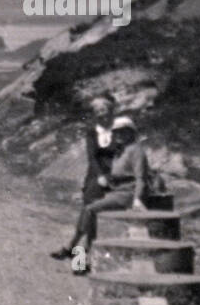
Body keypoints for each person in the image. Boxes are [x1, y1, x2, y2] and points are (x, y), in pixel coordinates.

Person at [66, 116, 150, 273]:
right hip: (116, 191)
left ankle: (78, 255)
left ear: (131, 133)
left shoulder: (136, 151)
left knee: (90, 210)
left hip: (128, 193)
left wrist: (138, 199)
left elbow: (141, 178)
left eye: (122, 133)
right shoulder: (122, 150)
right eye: (116, 133)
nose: (118, 136)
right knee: (87, 208)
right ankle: (79, 257)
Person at [51, 94, 117, 261]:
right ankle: (81, 253)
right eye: (97, 111)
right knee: (90, 211)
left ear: (110, 110)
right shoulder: (92, 131)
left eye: (104, 109)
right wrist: (101, 176)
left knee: (90, 212)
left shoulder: (118, 130)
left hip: (114, 174)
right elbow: (92, 157)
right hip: (96, 175)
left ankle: (72, 248)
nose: (101, 113)